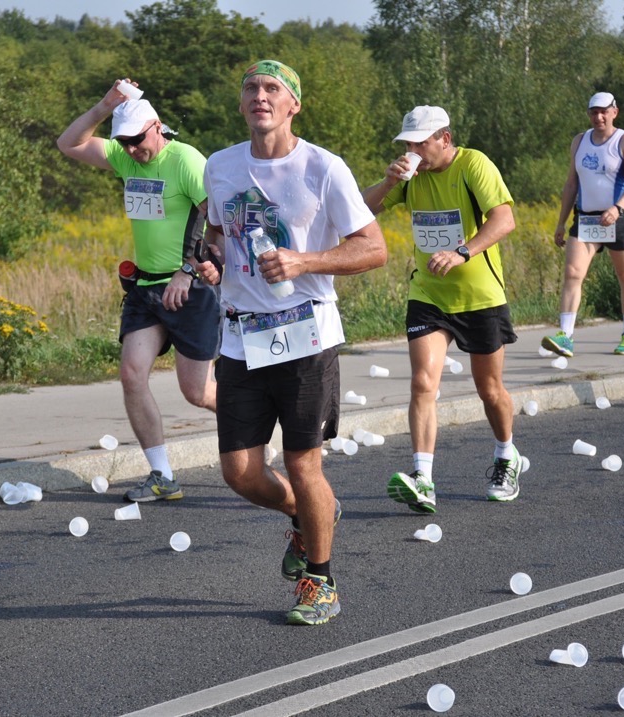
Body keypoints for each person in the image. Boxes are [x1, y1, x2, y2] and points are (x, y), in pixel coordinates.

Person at [196, 60, 386, 626]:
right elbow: (218, 232)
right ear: (241, 104)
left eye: (272, 88)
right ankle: (309, 515)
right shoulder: (220, 165)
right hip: (241, 337)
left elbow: (373, 248)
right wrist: (213, 261)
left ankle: (320, 582)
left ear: (293, 105)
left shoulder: (324, 168)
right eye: (251, 88)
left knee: (304, 464)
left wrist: (305, 261)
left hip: (307, 334)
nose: (260, 95)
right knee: (239, 472)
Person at [57, 80, 221, 503]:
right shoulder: (124, 158)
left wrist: (189, 269)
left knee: (198, 392)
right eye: (123, 142)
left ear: (157, 127)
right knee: (132, 374)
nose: (131, 150)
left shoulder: (186, 160)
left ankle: (259, 424)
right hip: (145, 287)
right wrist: (104, 106)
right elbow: (68, 144)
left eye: (137, 140)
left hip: (190, 288)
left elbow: (218, 221)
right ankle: (162, 475)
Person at [362, 105, 523, 511]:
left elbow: (504, 220)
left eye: (421, 143)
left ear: (445, 139)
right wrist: (388, 181)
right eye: (408, 144)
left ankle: (507, 456)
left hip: (479, 295)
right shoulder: (410, 177)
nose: (412, 151)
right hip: (428, 294)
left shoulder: (473, 164)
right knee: (422, 383)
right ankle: (423, 480)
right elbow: (361, 209)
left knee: (489, 390)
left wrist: (461, 252)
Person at [542, 91, 624, 359]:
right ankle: (565, 336)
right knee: (573, 273)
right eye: (594, 112)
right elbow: (571, 184)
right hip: (586, 219)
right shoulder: (580, 141)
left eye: (603, 112)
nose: (599, 117)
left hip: (617, 218)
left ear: (614, 112)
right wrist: (561, 222)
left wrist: (617, 208)